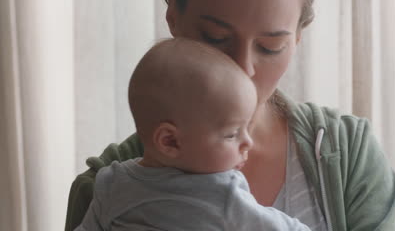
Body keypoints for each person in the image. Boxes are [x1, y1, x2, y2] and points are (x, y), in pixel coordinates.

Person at [66, 0, 395, 230]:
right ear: (173, 15)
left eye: (270, 47)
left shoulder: (346, 152)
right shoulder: (103, 187)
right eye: (215, 38)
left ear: (297, 39)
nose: (243, 68)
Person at [74, 38, 311, 231]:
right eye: (231, 135)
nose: (247, 142)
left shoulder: (114, 182)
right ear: (170, 141)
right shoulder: (221, 191)